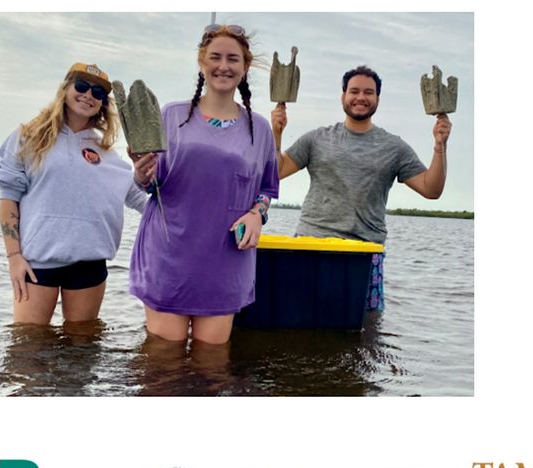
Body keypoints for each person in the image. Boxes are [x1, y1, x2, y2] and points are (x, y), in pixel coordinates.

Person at [127, 24, 279, 345]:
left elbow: (267, 189)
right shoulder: (171, 115)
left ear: (245, 67)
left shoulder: (260, 129)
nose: (224, 66)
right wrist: (142, 175)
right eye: (215, 57)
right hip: (169, 254)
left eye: (233, 59)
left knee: (211, 368)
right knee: (162, 369)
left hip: (225, 261)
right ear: (201, 62)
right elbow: (150, 183)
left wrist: (256, 215)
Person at [270, 65, 453, 311]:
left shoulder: (394, 147)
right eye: (354, 91)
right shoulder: (316, 139)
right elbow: (276, 172)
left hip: (365, 252)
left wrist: (440, 146)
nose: (361, 98)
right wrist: (276, 133)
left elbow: (431, 190)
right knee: (301, 320)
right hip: (311, 244)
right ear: (343, 96)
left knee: (365, 331)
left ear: (377, 98)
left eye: (369, 92)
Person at [0, 63, 148, 325]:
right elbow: (9, 196)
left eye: (98, 93)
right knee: (26, 350)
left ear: (102, 104)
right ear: (65, 89)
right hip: (37, 262)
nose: (88, 95)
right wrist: (14, 257)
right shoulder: (28, 137)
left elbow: (142, 199)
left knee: (82, 352)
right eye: (82, 86)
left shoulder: (108, 155)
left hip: (89, 263)